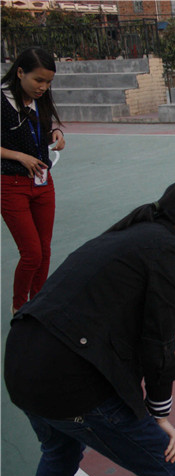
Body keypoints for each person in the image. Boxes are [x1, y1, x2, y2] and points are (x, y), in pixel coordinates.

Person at [4, 181, 175, 476]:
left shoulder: (130, 235)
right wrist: (158, 413)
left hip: (22, 358)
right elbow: (158, 341)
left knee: (60, 449)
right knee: (168, 468)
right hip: (66, 378)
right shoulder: (169, 251)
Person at [1, 47, 66, 315]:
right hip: (11, 185)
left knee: (45, 250)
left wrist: (56, 134)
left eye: (48, 82)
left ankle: (38, 303)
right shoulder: (2, 100)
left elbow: (41, 130)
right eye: (38, 80)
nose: (43, 87)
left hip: (43, 183)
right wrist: (19, 156)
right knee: (31, 253)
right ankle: (20, 306)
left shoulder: (40, 99)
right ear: (20, 73)